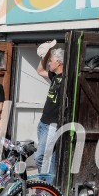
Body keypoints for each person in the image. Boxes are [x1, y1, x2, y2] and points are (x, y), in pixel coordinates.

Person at [35, 40, 65, 174]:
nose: (49, 63)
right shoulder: (54, 76)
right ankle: (50, 185)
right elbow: (40, 70)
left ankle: (43, 184)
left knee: (40, 157)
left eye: (51, 61)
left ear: (58, 62)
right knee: (50, 158)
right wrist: (46, 54)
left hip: (53, 125)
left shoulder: (66, 79)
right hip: (43, 123)